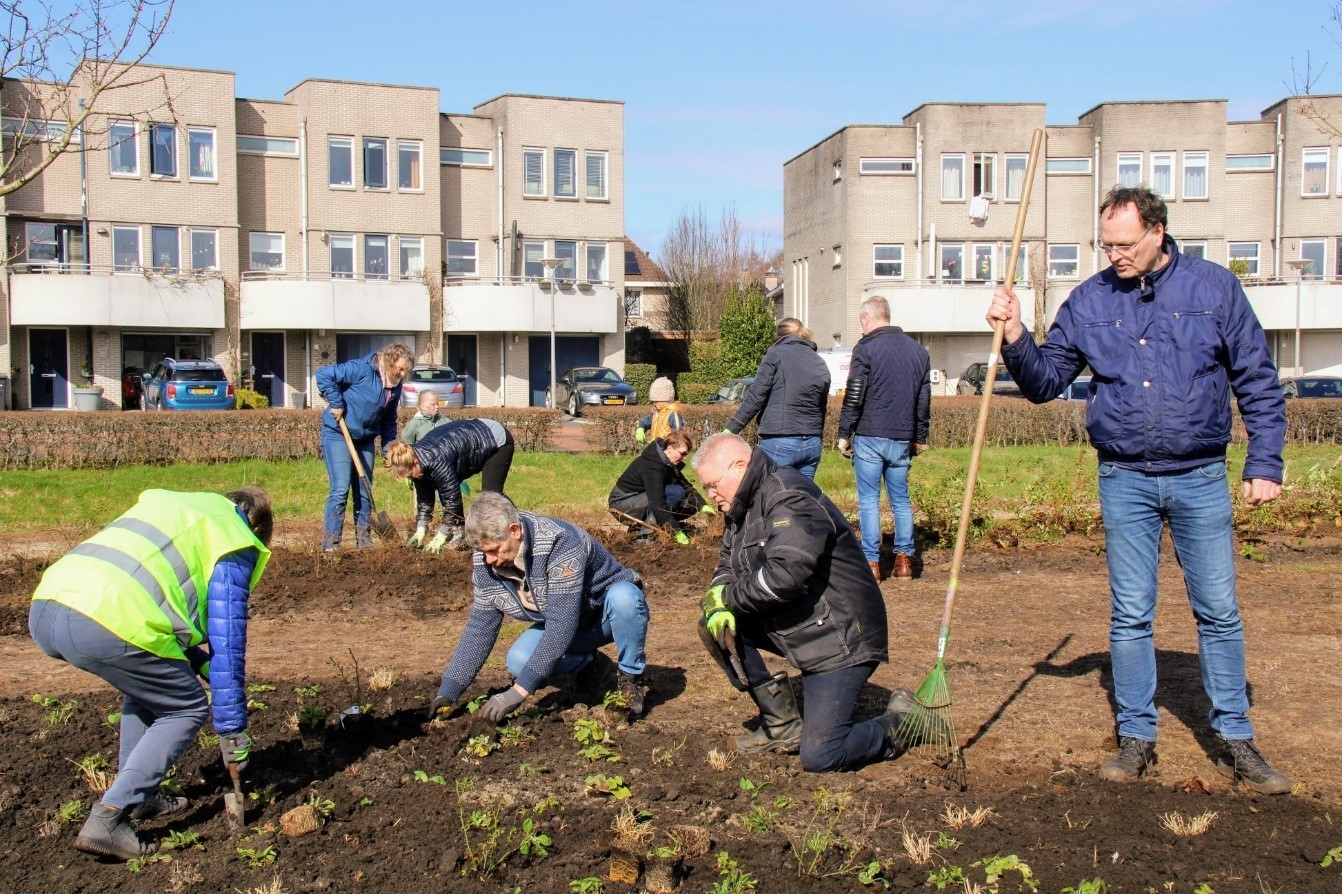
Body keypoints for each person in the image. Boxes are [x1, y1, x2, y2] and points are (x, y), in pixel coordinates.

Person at [985, 185, 1290, 794]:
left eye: (1125, 244)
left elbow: (1256, 376)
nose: (1115, 255)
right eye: (1107, 245)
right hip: (1124, 478)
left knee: (1219, 612)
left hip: (1200, 475)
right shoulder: (1090, 300)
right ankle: (1136, 737)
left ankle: (1234, 735)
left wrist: (1266, 462)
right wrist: (1017, 333)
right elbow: (1046, 383)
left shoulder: (1214, 289)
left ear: (1157, 232)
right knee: (1130, 615)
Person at [28, 486, 273, 861]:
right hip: (107, 620)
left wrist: (202, 665)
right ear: (257, 530)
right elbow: (228, 644)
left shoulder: (179, 508)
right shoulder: (234, 539)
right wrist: (232, 729)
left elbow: (155, 601)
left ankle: (140, 796)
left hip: (49, 605)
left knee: (150, 687)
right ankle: (109, 817)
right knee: (185, 707)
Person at [690, 433, 921, 771]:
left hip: (842, 636)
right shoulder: (740, 506)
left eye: (712, 485)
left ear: (740, 466)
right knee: (713, 624)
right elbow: (727, 564)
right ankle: (782, 727)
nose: (709, 496)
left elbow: (786, 576)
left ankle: (906, 724)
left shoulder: (788, 496)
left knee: (822, 756)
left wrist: (726, 597)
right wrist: (717, 596)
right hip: (804, 622)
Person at [426, 492, 651, 721]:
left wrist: (518, 692)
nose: (489, 560)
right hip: (562, 624)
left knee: (625, 597)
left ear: (515, 531)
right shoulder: (486, 560)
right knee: (519, 660)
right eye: (484, 552)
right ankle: (591, 666)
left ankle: (631, 678)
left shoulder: (559, 542)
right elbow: (480, 627)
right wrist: (448, 692)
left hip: (603, 615)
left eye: (494, 550)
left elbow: (562, 624)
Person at [836, 296, 931, 581]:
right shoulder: (918, 351)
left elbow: (855, 394)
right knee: (901, 500)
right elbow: (923, 399)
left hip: (869, 434)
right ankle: (904, 561)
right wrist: (920, 435)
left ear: (867, 318)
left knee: (868, 500)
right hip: (901, 437)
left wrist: (844, 433)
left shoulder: (865, 349)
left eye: (861, 321)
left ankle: (872, 564)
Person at [316, 343, 415, 550]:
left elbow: (389, 419)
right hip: (338, 433)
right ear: (390, 361)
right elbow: (324, 375)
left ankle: (364, 542)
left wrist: (388, 449)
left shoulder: (394, 387)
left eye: (406, 370)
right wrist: (337, 403)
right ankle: (331, 544)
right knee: (340, 489)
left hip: (365, 438)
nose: (403, 374)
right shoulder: (361, 369)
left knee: (364, 491)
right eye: (400, 369)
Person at [385, 418, 515, 552]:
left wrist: (442, 534)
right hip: (468, 440)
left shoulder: (437, 460)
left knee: (490, 495)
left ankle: (517, 523)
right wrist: (420, 529)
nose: (412, 478)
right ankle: (461, 534)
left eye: (411, 474)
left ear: (415, 462)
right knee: (446, 490)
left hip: (495, 440)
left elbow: (452, 500)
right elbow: (425, 498)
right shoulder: (418, 463)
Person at [724, 318, 831, 480]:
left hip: (780, 440)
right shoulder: (818, 361)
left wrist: (731, 428)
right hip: (812, 442)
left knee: (770, 496)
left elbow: (756, 395)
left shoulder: (776, 353)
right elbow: (821, 406)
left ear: (778, 336)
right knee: (802, 499)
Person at [608, 430, 712, 545]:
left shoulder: (667, 462)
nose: (684, 458)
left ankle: (647, 527)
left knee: (690, 504)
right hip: (621, 504)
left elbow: (685, 486)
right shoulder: (653, 467)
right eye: (683, 453)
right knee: (676, 492)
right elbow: (657, 503)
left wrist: (703, 506)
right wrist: (676, 531)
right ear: (670, 448)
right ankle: (645, 536)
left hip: (639, 499)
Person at [633, 377, 685, 443]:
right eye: (655, 401)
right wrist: (640, 429)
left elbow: (677, 434)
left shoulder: (673, 414)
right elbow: (645, 422)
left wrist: (665, 444)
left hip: (667, 450)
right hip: (656, 448)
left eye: (659, 400)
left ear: (668, 400)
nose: (656, 403)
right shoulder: (656, 413)